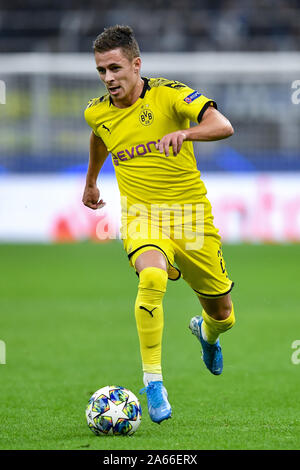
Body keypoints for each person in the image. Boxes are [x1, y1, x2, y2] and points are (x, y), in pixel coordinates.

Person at [82, 25, 236, 425]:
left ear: (136, 64)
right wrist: (91, 181)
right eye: (101, 70)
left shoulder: (170, 95)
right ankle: (153, 382)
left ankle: (207, 334)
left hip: (190, 219)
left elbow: (223, 125)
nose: (108, 78)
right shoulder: (96, 110)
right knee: (151, 278)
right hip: (141, 218)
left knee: (224, 315)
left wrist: (186, 133)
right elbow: (100, 135)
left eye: (115, 68)